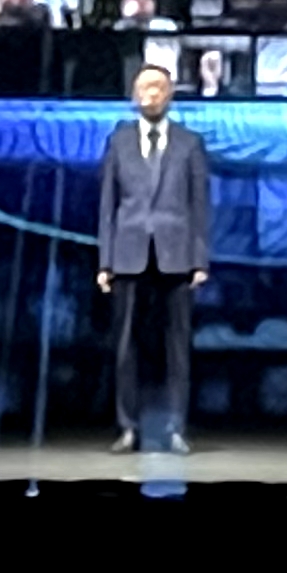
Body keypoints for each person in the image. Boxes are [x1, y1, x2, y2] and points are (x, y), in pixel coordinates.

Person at [94, 63, 211, 450]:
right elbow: (108, 204)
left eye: (159, 87)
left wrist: (199, 260)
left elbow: (199, 205)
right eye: (145, 87)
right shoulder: (119, 141)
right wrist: (105, 261)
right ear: (133, 94)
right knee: (125, 344)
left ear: (170, 94)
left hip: (176, 254)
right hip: (128, 253)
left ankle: (176, 427)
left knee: (176, 345)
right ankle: (128, 426)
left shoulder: (189, 143)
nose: (152, 94)